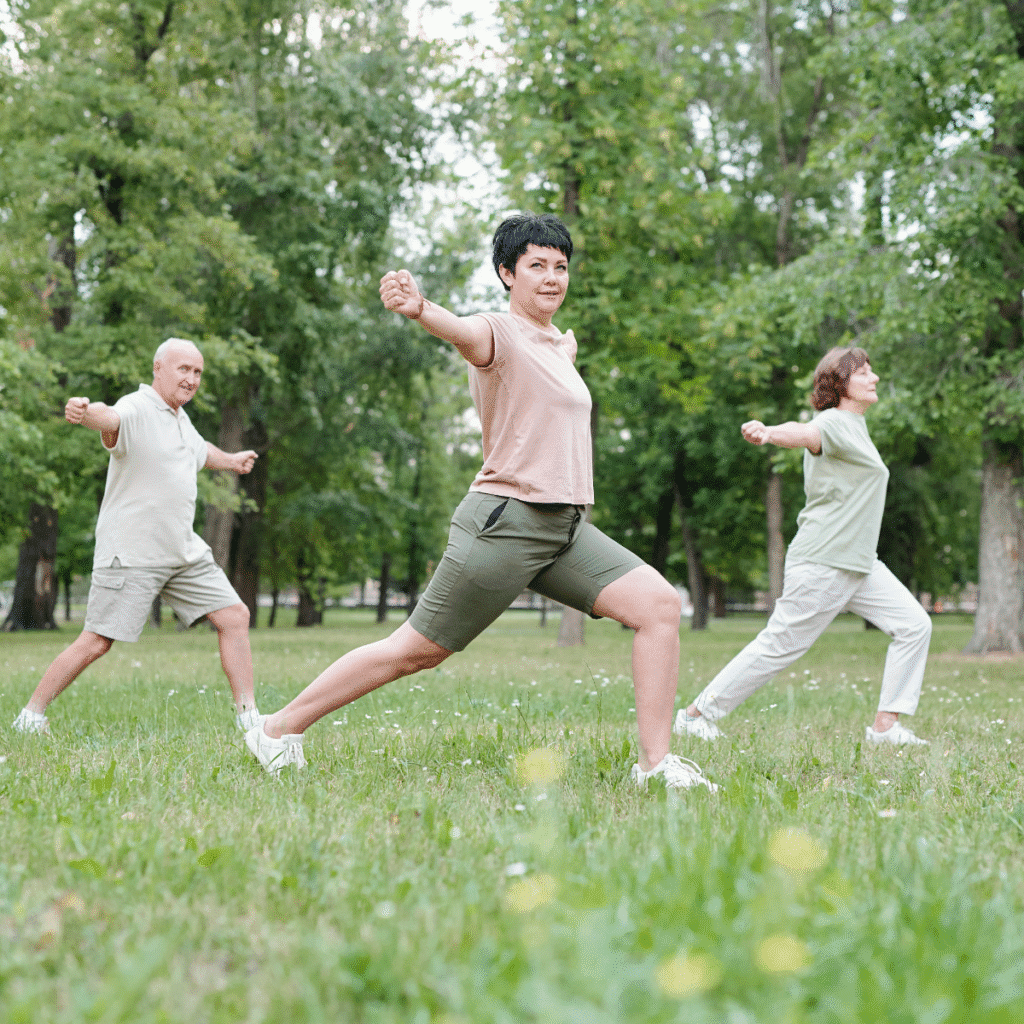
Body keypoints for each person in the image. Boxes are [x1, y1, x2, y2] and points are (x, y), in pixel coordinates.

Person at [244, 212, 716, 791]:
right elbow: (465, 333)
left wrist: (563, 357)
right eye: (536, 265)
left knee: (659, 607)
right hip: (506, 524)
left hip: (564, 529)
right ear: (507, 273)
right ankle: (276, 729)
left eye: (561, 266)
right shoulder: (498, 332)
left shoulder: (552, 344)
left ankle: (655, 768)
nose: (552, 277)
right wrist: (421, 309)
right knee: (415, 651)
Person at [675, 347, 932, 746]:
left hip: (859, 563)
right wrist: (770, 433)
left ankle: (885, 726)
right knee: (780, 645)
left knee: (914, 625)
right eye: (864, 373)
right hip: (825, 561)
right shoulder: (834, 422)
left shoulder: (855, 426)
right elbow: (807, 433)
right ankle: (696, 716)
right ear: (841, 384)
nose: (875, 378)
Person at [11, 338, 264, 735]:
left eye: (197, 372)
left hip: (183, 552)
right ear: (158, 368)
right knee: (97, 641)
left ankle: (250, 719)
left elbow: (200, 451)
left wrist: (231, 461)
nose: (191, 379)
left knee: (234, 616)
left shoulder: (179, 419)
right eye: (183, 369)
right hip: (132, 553)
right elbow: (110, 418)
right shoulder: (138, 407)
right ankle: (30, 716)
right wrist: (84, 412)